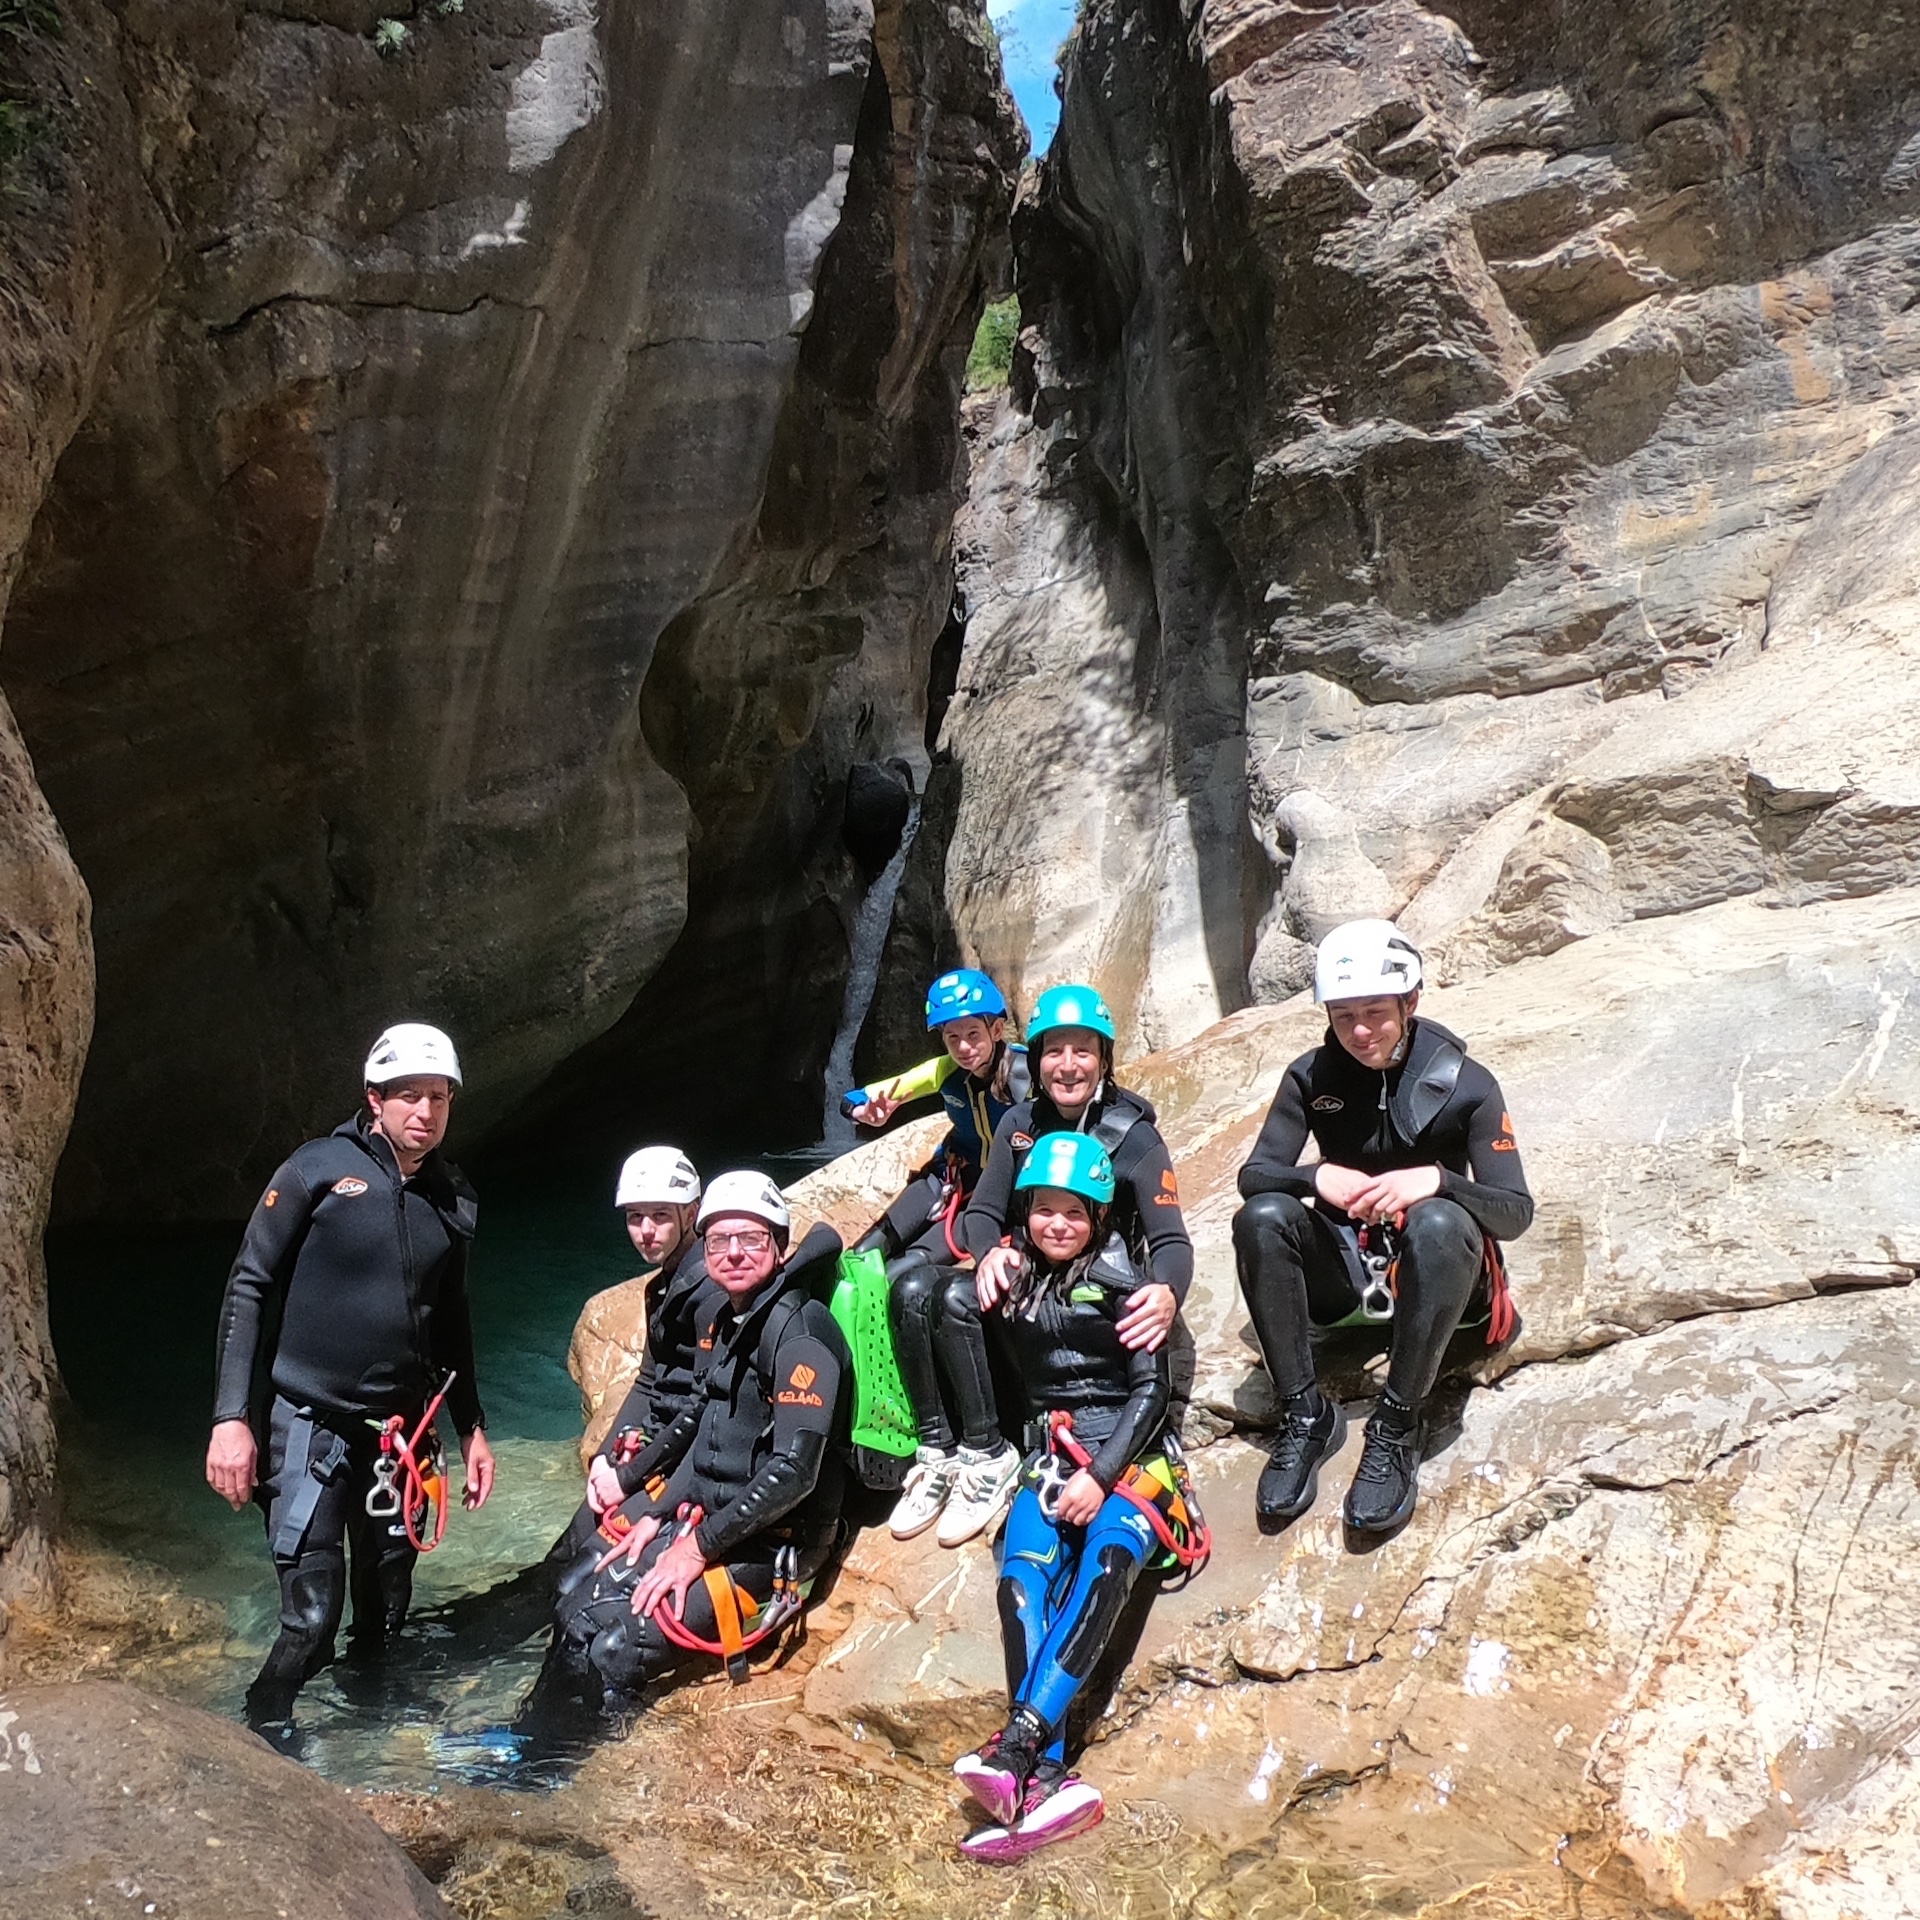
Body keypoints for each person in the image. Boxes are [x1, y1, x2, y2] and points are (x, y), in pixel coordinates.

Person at [205, 1023, 496, 1729]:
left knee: (387, 1607)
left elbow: (450, 1317)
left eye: (439, 1097)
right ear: (374, 1097)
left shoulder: (451, 1197)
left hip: (403, 1435)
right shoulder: (317, 1169)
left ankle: (372, 1735)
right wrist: (230, 1419)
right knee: (310, 1618)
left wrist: (473, 1430)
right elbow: (249, 1285)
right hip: (311, 1424)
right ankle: (265, 1736)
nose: (425, 1112)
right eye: (409, 1096)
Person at [951, 1132, 1204, 1864]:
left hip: (1133, 1459)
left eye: (1075, 1213)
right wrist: (986, 1249)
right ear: (1025, 1211)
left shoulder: (1131, 1284)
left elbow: (1151, 1391)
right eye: (1044, 1211)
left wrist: (1102, 1476)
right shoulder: (1015, 1275)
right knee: (1020, 1583)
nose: (1057, 1225)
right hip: (1051, 1456)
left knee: (1103, 1570)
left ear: (1099, 1216)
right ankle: (1048, 1780)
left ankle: (1021, 1743)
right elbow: (957, 1289)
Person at [1233, 919, 1533, 1535]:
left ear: (1411, 1001)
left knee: (1442, 1222)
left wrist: (1439, 1182)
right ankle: (1304, 1414)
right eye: (1344, 1016)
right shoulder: (1311, 1078)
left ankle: (1397, 1422)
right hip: (1350, 1269)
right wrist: (1316, 1179)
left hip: (1439, 1272)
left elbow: (1514, 1212)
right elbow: (1255, 1176)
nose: (1361, 1032)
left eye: (1376, 1012)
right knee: (1261, 1218)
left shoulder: (1467, 1086)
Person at [545, 1172, 848, 1708]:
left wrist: (695, 1550)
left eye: (751, 1239)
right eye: (718, 1241)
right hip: (713, 1526)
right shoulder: (733, 1320)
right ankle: (527, 1750)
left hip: (773, 1548)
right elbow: (708, 1430)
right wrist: (658, 1513)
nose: (733, 1253)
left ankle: (549, 1766)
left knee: (617, 1643)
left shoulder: (801, 1332)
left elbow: (794, 1472)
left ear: (779, 1246)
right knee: (575, 1604)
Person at [906, 983, 1192, 1550]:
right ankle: (978, 1451)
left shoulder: (1135, 1136)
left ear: (1104, 1058)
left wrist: (1165, 1292)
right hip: (1037, 1285)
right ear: (1034, 1060)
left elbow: (1171, 1240)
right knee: (931, 1292)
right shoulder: (1020, 1124)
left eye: (1082, 1051)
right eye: (1052, 1053)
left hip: (1101, 1295)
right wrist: (991, 1253)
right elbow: (983, 1212)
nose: (1067, 1067)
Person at [842, 969, 1032, 1542]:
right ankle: (916, 1435)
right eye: (951, 1037)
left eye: (973, 1034)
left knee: (913, 1279)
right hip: (959, 1180)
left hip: (1005, 1196)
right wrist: (870, 1105)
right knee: (868, 1262)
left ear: (998, 1028)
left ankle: (968, 1447)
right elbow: (898, 1087)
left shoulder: (1021, 1074)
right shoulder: (951, 1071)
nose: (964, 1048)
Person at [549, 1148, 720, 1568]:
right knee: (561, 1561)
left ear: (692, 1212)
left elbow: (705, 1409)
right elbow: (648, 1380)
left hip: (684, 1461)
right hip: (657, 1446)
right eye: (634, 1217)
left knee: (577, 1573)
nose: (646, 1231)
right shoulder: (663, 1287)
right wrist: (604, 1460)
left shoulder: (711, 1293)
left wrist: (627, 1478)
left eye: (660, 1216)